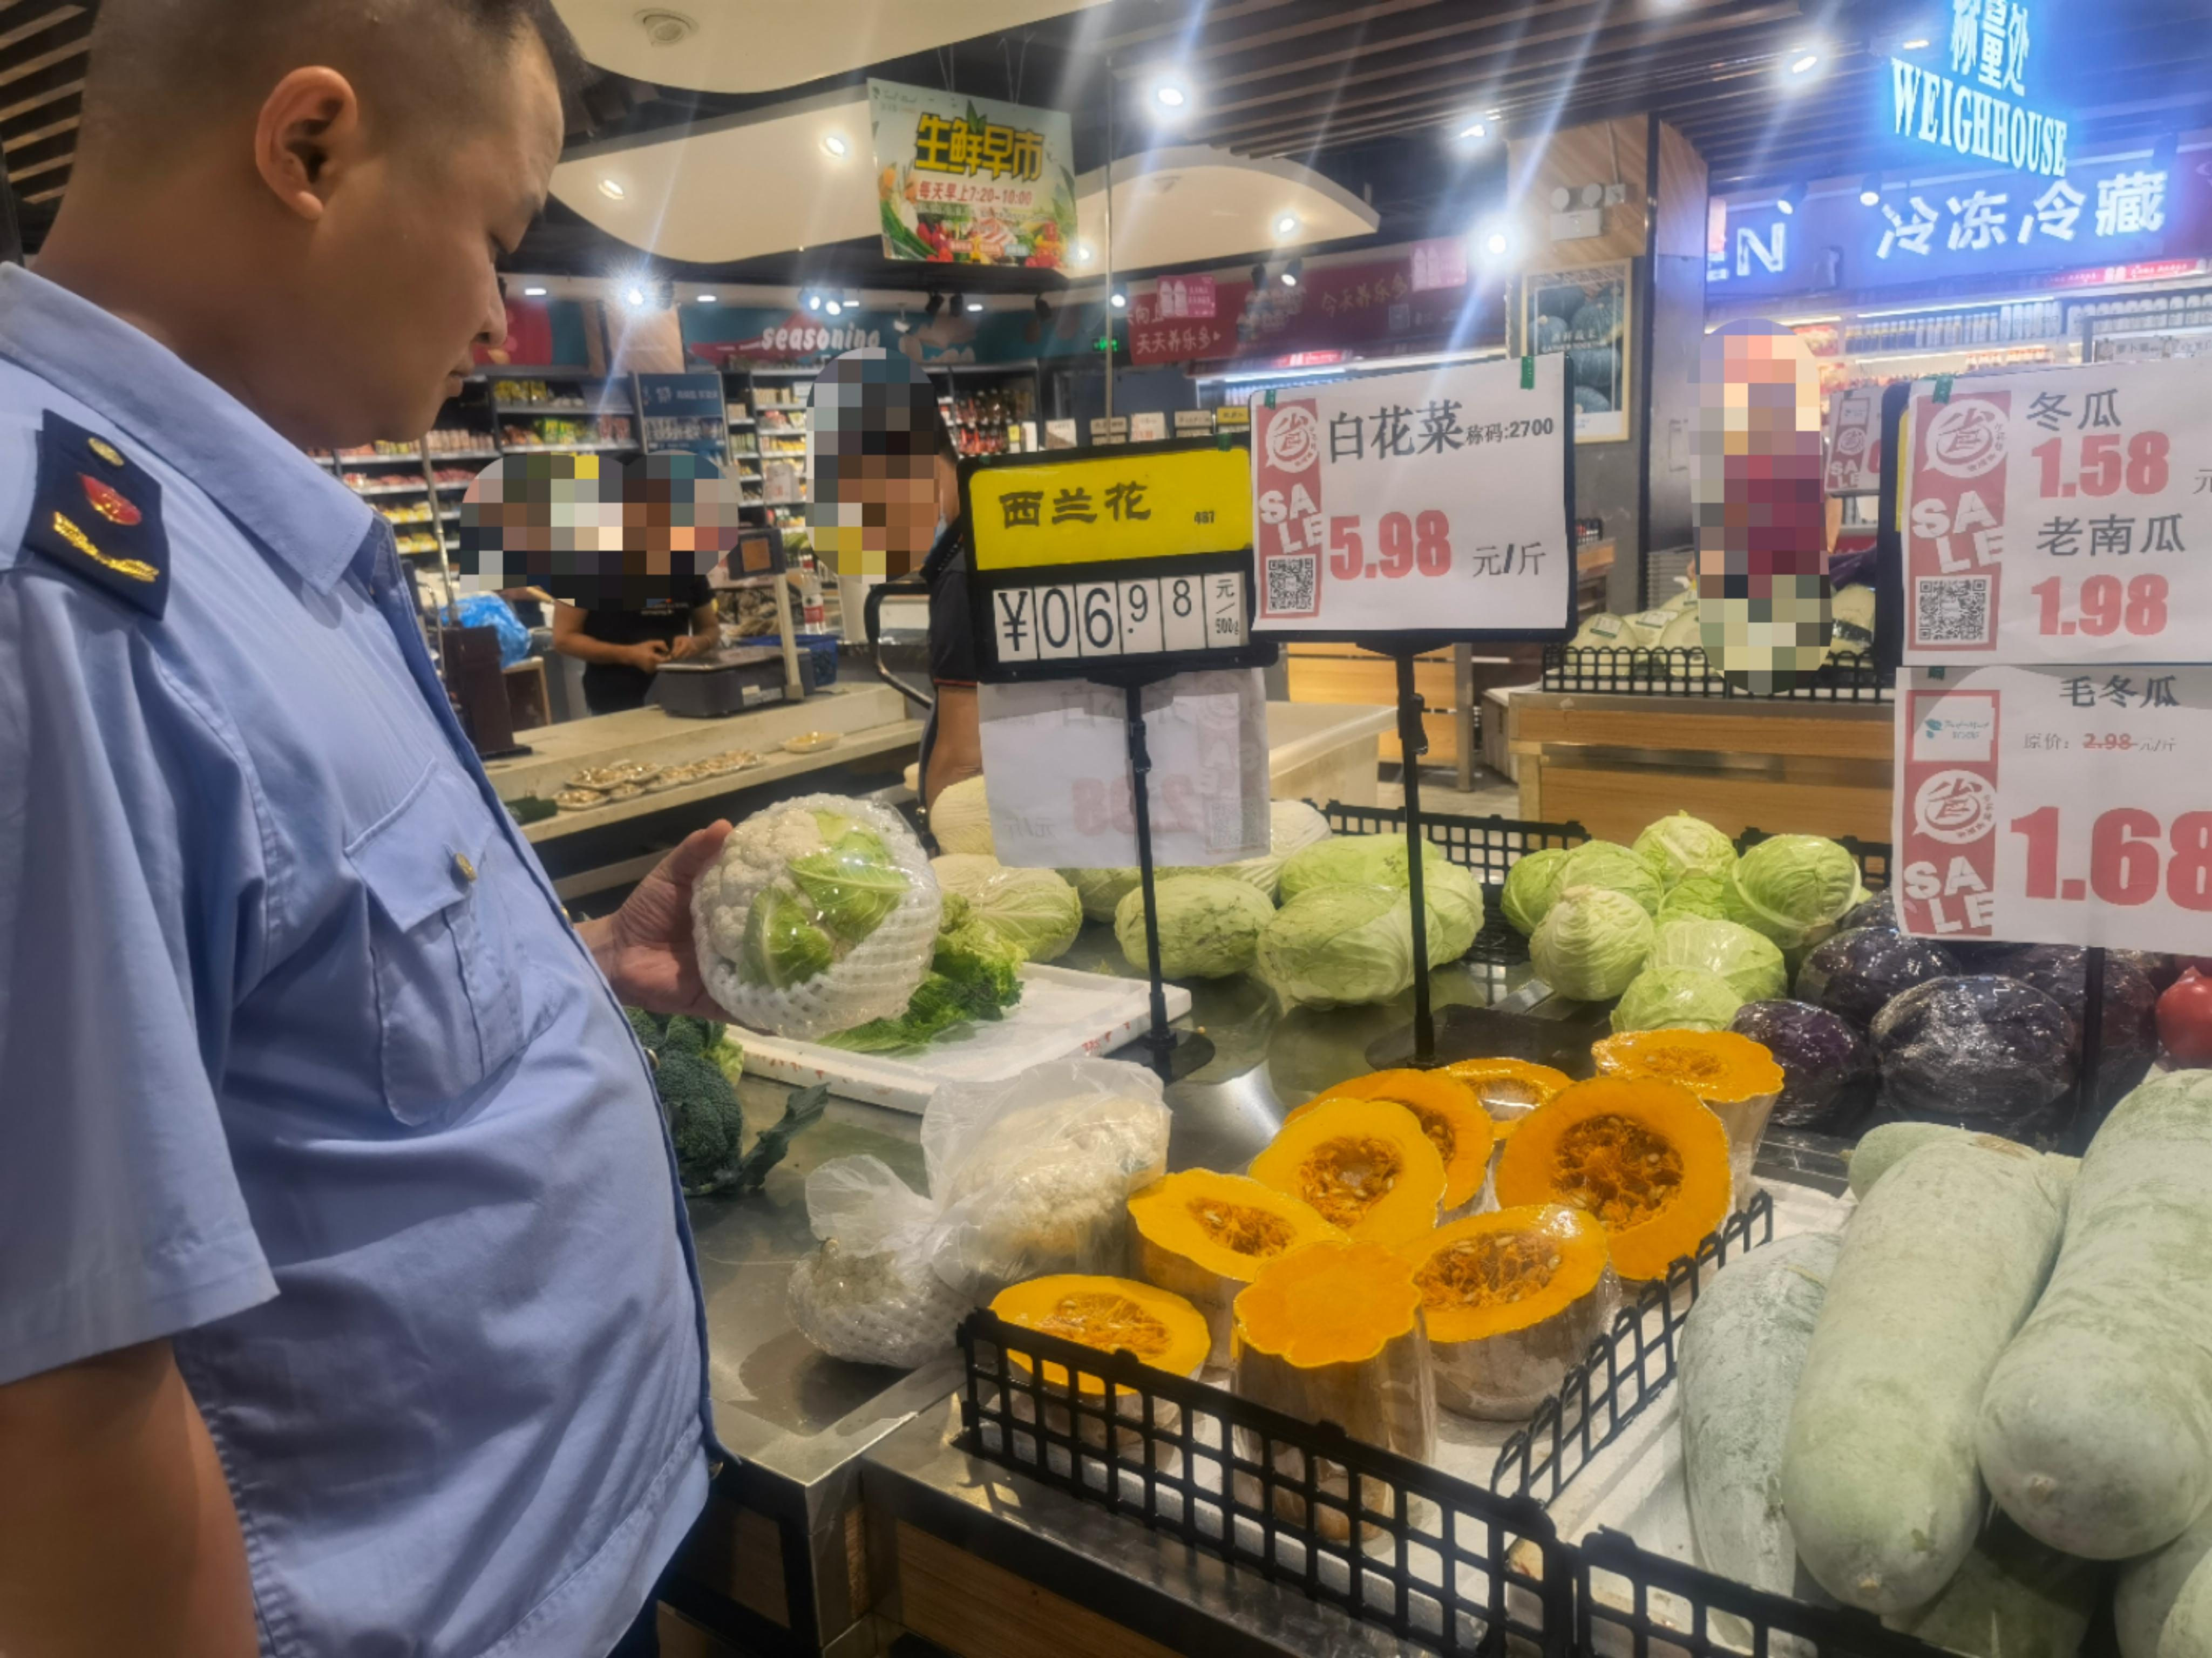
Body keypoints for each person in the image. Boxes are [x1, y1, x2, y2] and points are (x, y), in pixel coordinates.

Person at [0, 5, 721, 1656]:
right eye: (497, 233)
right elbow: (58, 1404)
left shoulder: (244, 535)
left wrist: (586, 968)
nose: (498, 314)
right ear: (307, 147)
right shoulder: (60, 601)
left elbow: (290, 1014)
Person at [552, 579, 720, 714]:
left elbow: (710, 628)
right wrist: (629, 655)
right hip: (616, 704)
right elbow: (564, 639)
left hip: (683, 699)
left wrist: (697, 643)